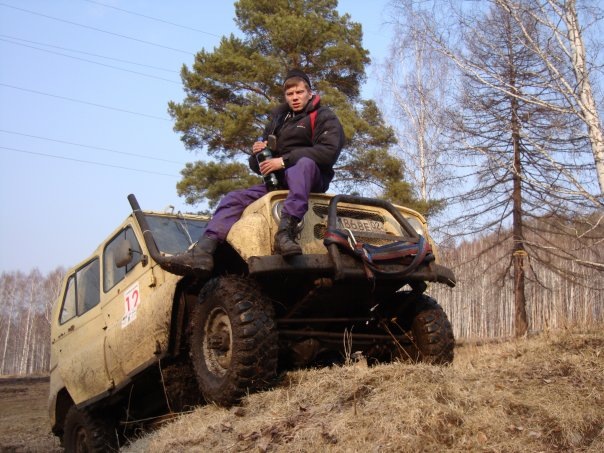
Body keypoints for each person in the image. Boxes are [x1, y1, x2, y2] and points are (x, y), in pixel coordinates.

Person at [166, 69, 345, 275]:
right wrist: (259, 153)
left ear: (310, 93)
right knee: (234, 198)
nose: (295, 97)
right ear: (285, 96)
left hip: (311, 177)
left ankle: (285, 233)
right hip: (280, 182)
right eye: (290, 94)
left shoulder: (323, 116)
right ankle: (203, 251)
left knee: (302, 165)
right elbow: (257, 165)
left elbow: (328, 151)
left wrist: (283, 161)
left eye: (299, 92)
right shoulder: (278, 120)